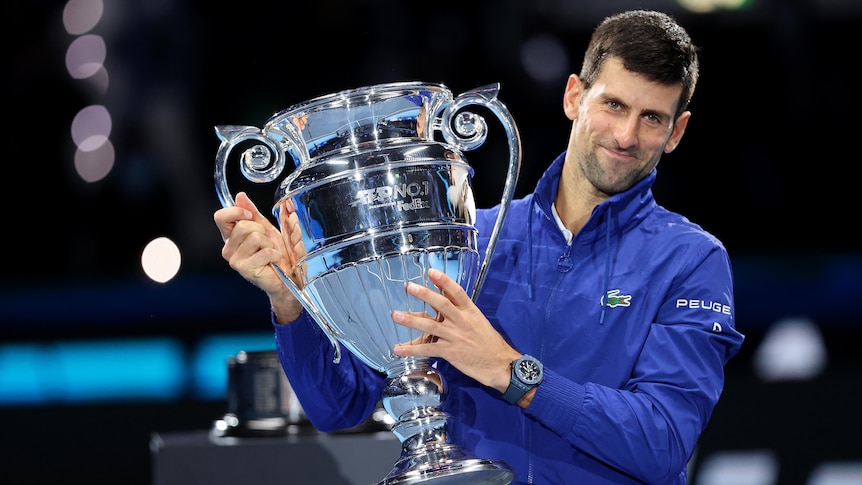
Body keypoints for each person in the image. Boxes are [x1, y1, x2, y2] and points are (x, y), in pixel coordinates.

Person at [214, 9, 745, 484]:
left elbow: (662, 442)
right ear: (574, 97)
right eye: (613, 105)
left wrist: (510, 371)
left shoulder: (692, 261)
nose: (627, 135)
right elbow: (340, 405)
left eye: (652, 118)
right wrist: (289, 301)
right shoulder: (467, 240)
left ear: (677, 132)